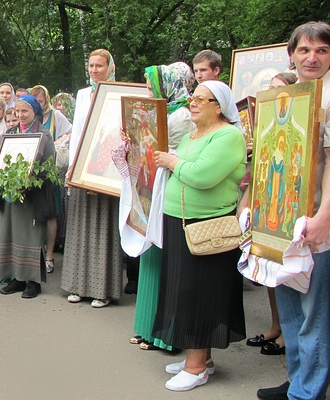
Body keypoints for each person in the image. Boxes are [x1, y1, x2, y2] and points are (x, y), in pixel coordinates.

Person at [151, 80, 247, 392]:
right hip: (182, 223)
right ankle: (199, 358)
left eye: (201, 100)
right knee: (185, 292)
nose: (193, 104)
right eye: (192, 98)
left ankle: (195, 368)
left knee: (198, 296)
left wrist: (171, 161)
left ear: (218, 106)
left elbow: (202, 176)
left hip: (207, 226)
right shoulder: (195, 134)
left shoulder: (229, 136)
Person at [257, 21, 330, 400]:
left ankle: (308, 393)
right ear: (292, 55)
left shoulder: (329, 98)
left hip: (316, 224)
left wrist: (323, 219)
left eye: (321, 50)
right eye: (305, 50)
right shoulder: (289, 95)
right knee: (291, 311)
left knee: (313, 315)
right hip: (283, 220)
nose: (312, 57)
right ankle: (298, 382)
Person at [116, 62, 195, 352]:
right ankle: (147, 327)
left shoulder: (183, 115)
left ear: (167, 86)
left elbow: (176, 153)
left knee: (166, 263)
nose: (148, 91)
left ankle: (167, 334)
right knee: (149, 259)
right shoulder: (158, 112)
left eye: (151, 86)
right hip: (149, 191)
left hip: (168, 194)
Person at [61, 48, 124, 308]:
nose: (94, 70)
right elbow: (78, 132)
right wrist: (72, 167)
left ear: (111, 68)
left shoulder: (120, 92)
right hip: (82, 167)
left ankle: (102, 290)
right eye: (91, 65)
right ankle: (77, 285)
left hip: (106, 169)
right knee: (79, 226)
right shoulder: (83, 94)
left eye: (99, 65)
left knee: (103, 228)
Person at [241, 71, 296, 359]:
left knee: (289, 275)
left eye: (279, 90)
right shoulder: (265, 125)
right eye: (270, 89)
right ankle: (276, 325)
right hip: (266, 202)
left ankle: (289, 332)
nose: (272, 94)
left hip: (287, 205)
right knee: (270, 272)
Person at [0, 96, 55, 298]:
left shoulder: (44, 135)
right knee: (11, 233)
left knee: (31, 236)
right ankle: (17, 278)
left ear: (35, 113)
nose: (20, 116)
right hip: (10, 194)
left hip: (32, 195)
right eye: (17, 112)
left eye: (25, 112)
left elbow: (49, 166)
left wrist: (28, 182)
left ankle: (33, 282)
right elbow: (0, 158)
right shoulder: (11, 133)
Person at [30, 84, 73, 273]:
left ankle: (49, 255)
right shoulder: (30, 117)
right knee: (34, 213)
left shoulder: (56, 116)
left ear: (46, 100)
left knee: (50, 213)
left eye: (41, 101)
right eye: (36, 101)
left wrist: (57, 143)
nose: (39, 104)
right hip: (32, 173)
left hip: (51, 170)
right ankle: (35, 254)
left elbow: (71, 131)